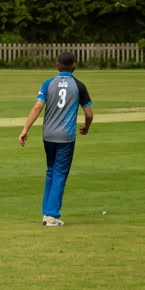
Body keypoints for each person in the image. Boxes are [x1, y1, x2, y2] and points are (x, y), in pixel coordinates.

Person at [18, 51, 94, 226]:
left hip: (48, 135)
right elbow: (89, 114)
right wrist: (86, 127)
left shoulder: (48, 83)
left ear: (57, 65)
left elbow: (37, 107)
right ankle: (52, 215)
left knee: (51, 171)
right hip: (65, 137)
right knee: (60, 173)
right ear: (74, 65)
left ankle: (46, 213)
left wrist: (25, 129)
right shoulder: (79, 85)